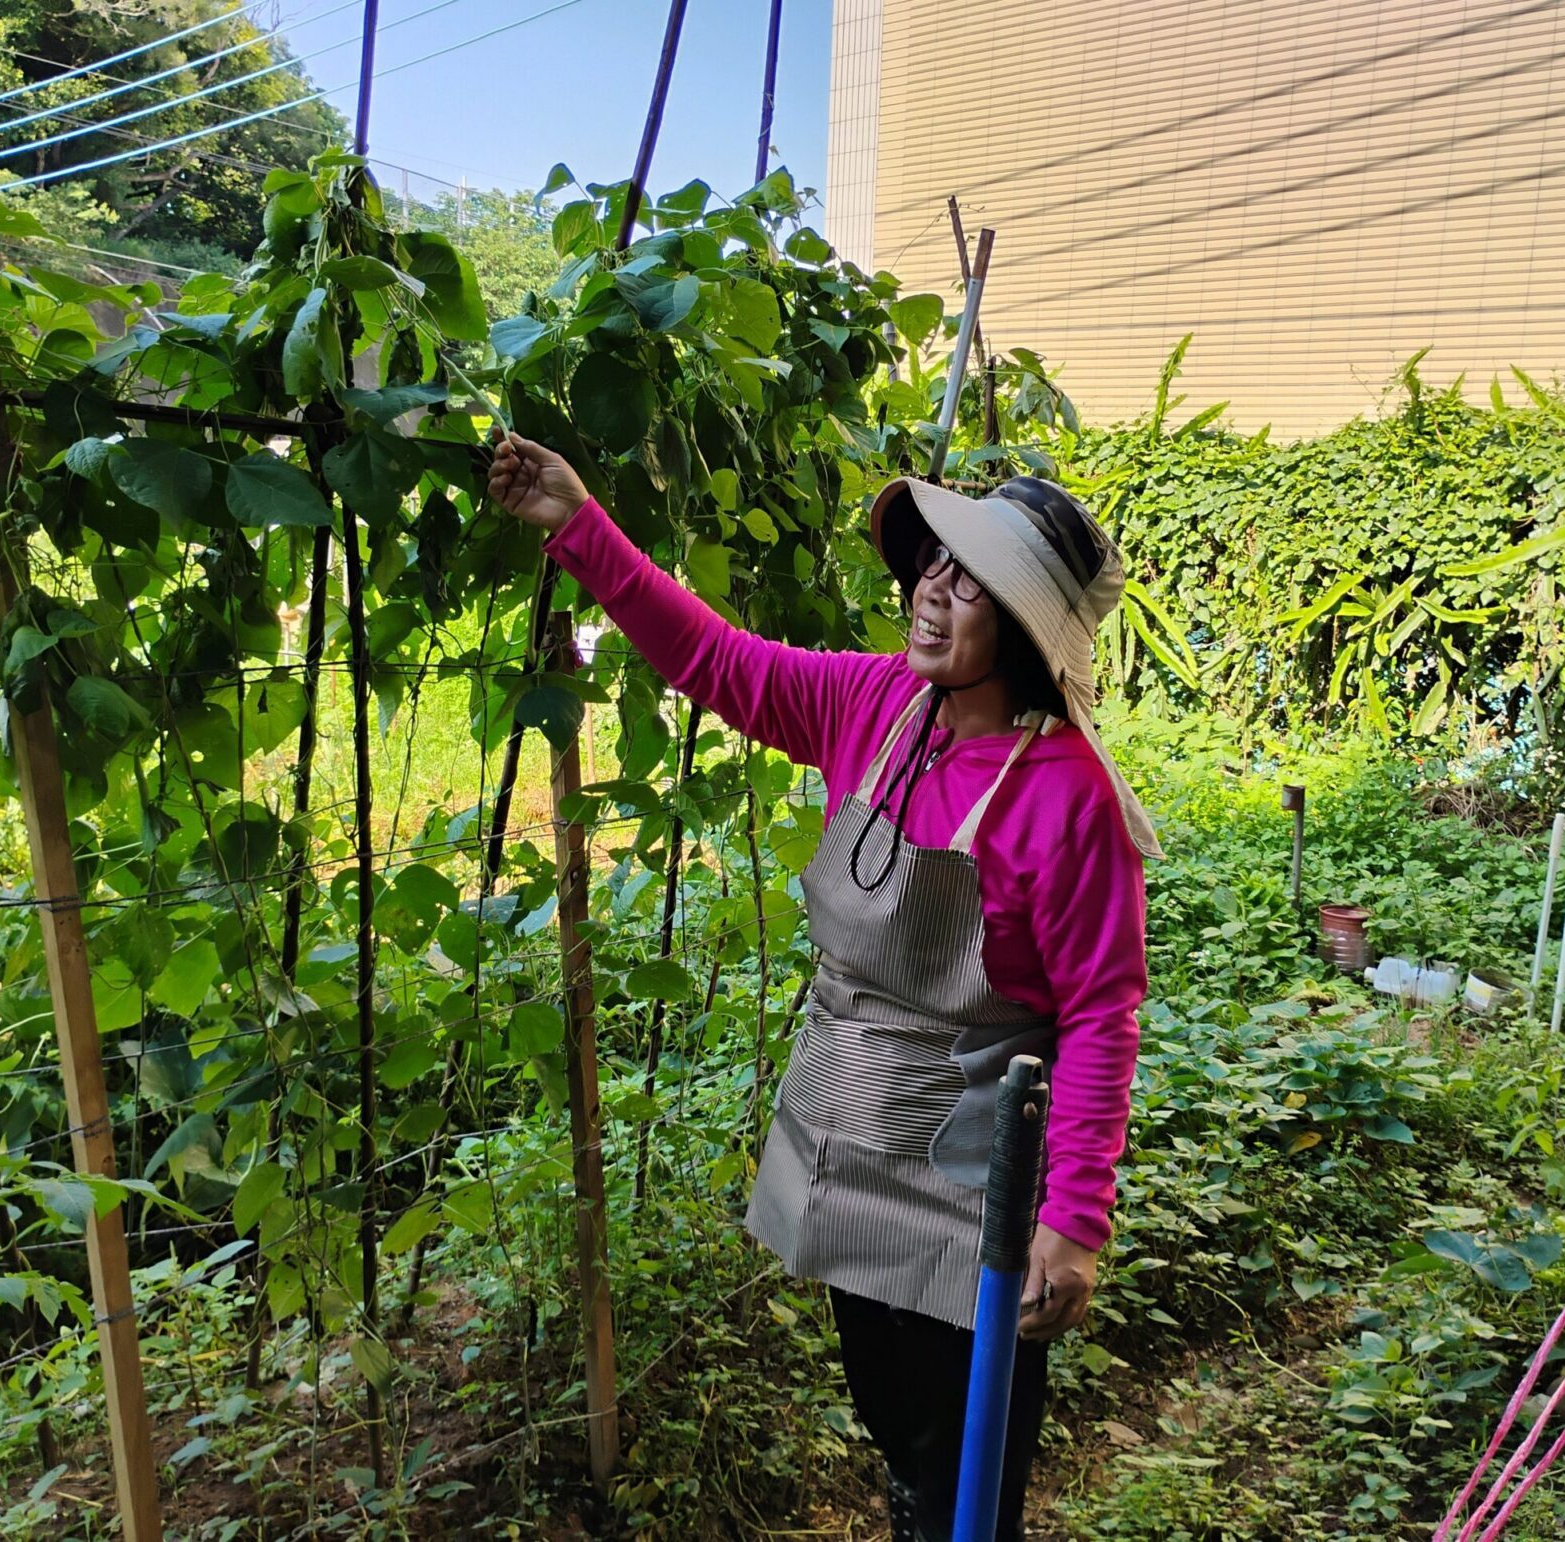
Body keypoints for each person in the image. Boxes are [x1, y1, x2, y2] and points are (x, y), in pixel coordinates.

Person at [487, 434, 1155, 1541]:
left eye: (970, 583)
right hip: (847, 1145)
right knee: (897, 1426)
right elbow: (716, 660)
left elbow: (1099, 1012)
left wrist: (1073, 1220)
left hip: (971, 1185)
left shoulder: (1066, 796)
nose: (931, 592)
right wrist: (578, 523)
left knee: (970, 1465)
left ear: (1024, 631)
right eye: (934, 564)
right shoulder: (875, 704)